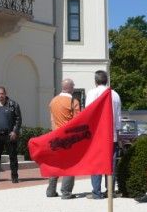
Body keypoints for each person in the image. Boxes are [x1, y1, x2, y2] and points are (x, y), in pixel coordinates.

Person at [85, 70, 122, 200]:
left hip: (97, 135)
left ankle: (96, 192)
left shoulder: (92, 93)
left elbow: (88, 114)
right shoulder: (115, 94)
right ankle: (110, 191)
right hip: (112, 135)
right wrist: (118, 133)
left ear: (95, 81)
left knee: (96, 163)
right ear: (107, 80)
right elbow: (118, 117)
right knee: (111, 164)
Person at [46, 78, 81, 199]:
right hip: (68, 138)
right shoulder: (73, 101)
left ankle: (51, 191)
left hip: (55, 137)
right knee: (69, 164)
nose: (74, 87)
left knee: (55, 163)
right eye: (73, 86)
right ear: (70, 88)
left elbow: (52, 119)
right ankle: (66, 192)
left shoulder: (53, 101)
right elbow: (77, 121)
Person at [0, 86, 22, 183]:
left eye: (2, 93)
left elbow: (18, 119)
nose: (1, 95)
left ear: (5, 94)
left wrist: (15, 131)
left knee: (12, 156)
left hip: (9, 134)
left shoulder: (13, 104)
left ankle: (14, 176)